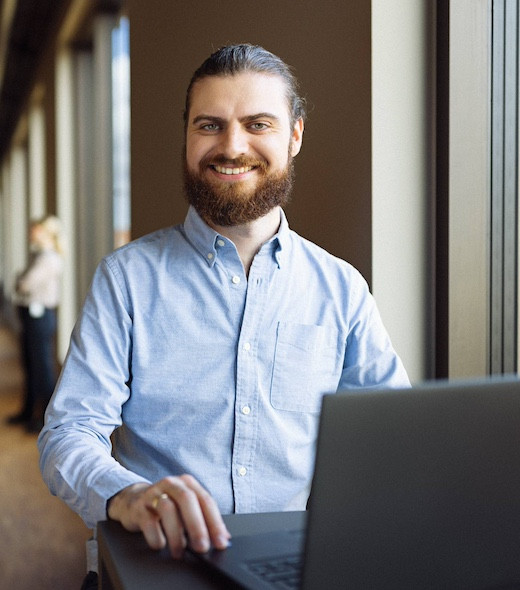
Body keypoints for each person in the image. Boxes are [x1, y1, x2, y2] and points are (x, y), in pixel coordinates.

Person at [38, 44, 410, 588]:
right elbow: (68, 433)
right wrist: (126, 495)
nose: (232, 146)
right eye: (210, 125)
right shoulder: (126, 280)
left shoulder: (342, 288)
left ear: (295, 136)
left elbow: (391, 440)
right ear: (187, 135)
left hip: (298, 566)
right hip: (156, 561)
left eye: (258, 123)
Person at [8, 215, 64, 433]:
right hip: (31, 317)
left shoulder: (49, 259)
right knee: (31, 366)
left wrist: (21, 281)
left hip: (40, 318)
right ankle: (28, 411)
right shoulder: (39, 256)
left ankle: (45, 419)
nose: (32, 233)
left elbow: (24, 283)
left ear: (47, 233)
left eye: (36, 230)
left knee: (43, 369)